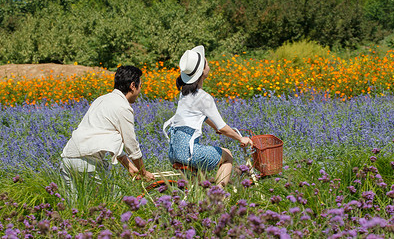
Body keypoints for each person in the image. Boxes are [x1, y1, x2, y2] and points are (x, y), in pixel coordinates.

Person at [163, 45, 253, 188]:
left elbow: (203, 118)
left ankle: (201, 200)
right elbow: (222, 127)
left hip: (174, 152)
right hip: (189, 153)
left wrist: (217, 127)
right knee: (227, 155)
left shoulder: (184, 94)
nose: (209, 64)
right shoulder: (204, 97)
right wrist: (240, 138)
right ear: (202, 71)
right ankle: (219, 199)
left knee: (200, 182)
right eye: (207, 63)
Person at [60, 65, 155, 194]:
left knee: (74, 209)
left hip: (67, 160)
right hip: (87, 164)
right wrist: (143, 172)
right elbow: (131, 145)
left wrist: (130, 166)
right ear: (133, 86)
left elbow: (103, 137)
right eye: (140, 86)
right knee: (113, 202)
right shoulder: (123, 107)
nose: (140, 91)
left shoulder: (101, 99)